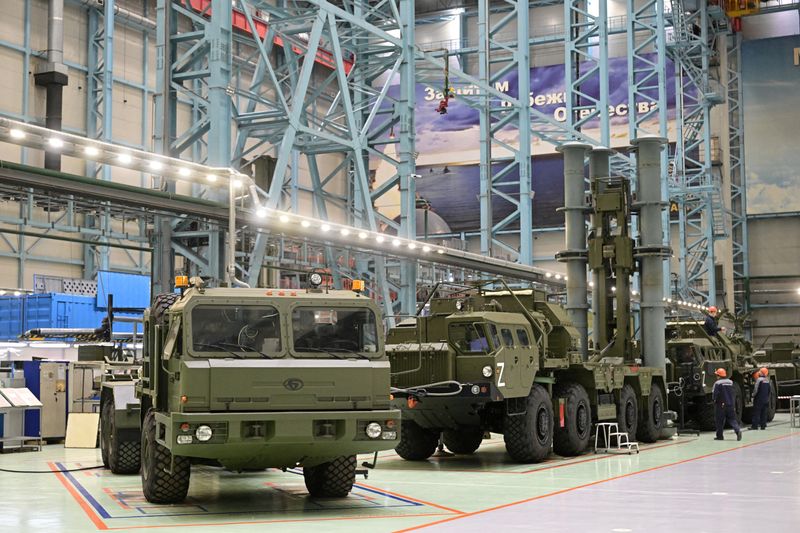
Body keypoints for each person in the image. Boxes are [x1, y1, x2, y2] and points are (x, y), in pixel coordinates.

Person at [711, 368, 741, 441]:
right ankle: (737, 431)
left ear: (719, 376)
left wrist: (714, 400)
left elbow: (715, 394)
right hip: (730, 404)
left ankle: (720, 436)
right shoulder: (730, 382)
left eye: (717, 375)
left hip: (721, 405)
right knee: (732, 419)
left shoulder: (717, 383)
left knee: (719, 421)